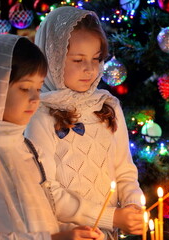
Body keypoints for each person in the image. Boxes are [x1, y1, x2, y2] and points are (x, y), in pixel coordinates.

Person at [0, 34, 104, 240]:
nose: (36, 98)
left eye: (38, 87)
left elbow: (38, 220)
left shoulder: (27, 148)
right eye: (25, 88)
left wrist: (70, 231)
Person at [25, 6, 144, 239]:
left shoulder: (107, 107)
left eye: (96, 59)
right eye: (78, 60)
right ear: (52, 59)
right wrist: (112, 216)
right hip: (66, 233)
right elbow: (47, 190)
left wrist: (132, 206)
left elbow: (124, 171)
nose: (89, 69)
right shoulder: (39, 114)